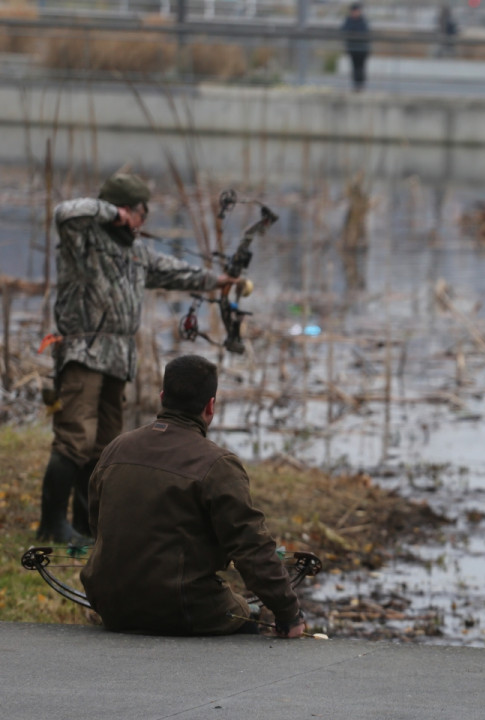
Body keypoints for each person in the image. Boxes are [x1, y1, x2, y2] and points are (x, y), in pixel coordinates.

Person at [36, 173, 244, 545]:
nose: (141, 223)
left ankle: (87, 524)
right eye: (138, 214)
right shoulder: (82, 237)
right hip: (84, 350)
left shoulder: (136, 251)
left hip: (118, 356)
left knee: (103, 445)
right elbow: (65, 212)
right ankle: (52, 525)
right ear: (121, 210)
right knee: (74, 439)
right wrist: (110, 212)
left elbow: (175, 271)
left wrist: (219, 280)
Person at [80, 354, 305, 638]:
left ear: (163, 397)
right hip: (185, 609)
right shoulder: (218, 464)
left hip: (110, 604)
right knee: (245, 613)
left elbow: (96, 524)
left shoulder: (116, 448)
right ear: (210, 406)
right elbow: (251, 546)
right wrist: (289, 613)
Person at [341, 2, 371, 92]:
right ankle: (356, 85)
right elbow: (344, 31)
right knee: (354, 67)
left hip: (362, 49)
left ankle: (361, 85)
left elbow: (364, 33)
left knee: (361, 67)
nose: (356, 13)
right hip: (352, 48)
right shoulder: (348, 20)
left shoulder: (363, 21)